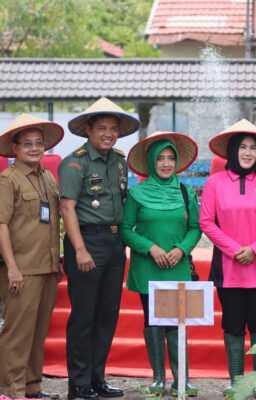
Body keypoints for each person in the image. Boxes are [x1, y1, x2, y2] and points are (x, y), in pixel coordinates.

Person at [58, 97, 140, 400]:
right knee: (83, 316)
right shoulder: (75, 162)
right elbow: (67, 208)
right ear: (89, 130)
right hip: (87, 241)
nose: (109, 133)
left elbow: (121, 201)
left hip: (115, 243)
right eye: (102, 128)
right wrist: (79, 250)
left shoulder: (119, 161)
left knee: (107, 315)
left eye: (114, 128)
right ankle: (78, 383)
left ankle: (97, 379)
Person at [200, 119, 256, 397]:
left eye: (253, 148)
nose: (248, 153)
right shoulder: (215, 183)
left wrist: (255, 249)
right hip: (228, 267)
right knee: (233, 325)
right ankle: (236, 380)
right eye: (243, 147)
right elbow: (207, 222)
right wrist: (235, 250)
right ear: (232, 150)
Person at [121, 132, 201, 397]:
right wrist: (150, 248)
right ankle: (158, 378)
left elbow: (195, 228)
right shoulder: (137, 193)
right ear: (151, 162)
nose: (166, 164)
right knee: (154, 321)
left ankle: (182, 379)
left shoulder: (185, 191)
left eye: (170, 158)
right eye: (160, 159)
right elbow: (124, 229)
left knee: (178, 322)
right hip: (148, 267)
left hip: (178, 266)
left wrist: (182, 249)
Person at [0, 114, 63, 399]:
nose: (35, 148)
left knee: (38, 332)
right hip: (21, 269)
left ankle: (33, 385)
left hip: (48, 267)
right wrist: (12, 267)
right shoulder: (7, 180)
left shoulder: (48, 176)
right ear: (15, 148)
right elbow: (1, 225)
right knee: (17, 332)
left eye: (39, 143)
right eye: (28, 144)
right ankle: (12, 388)